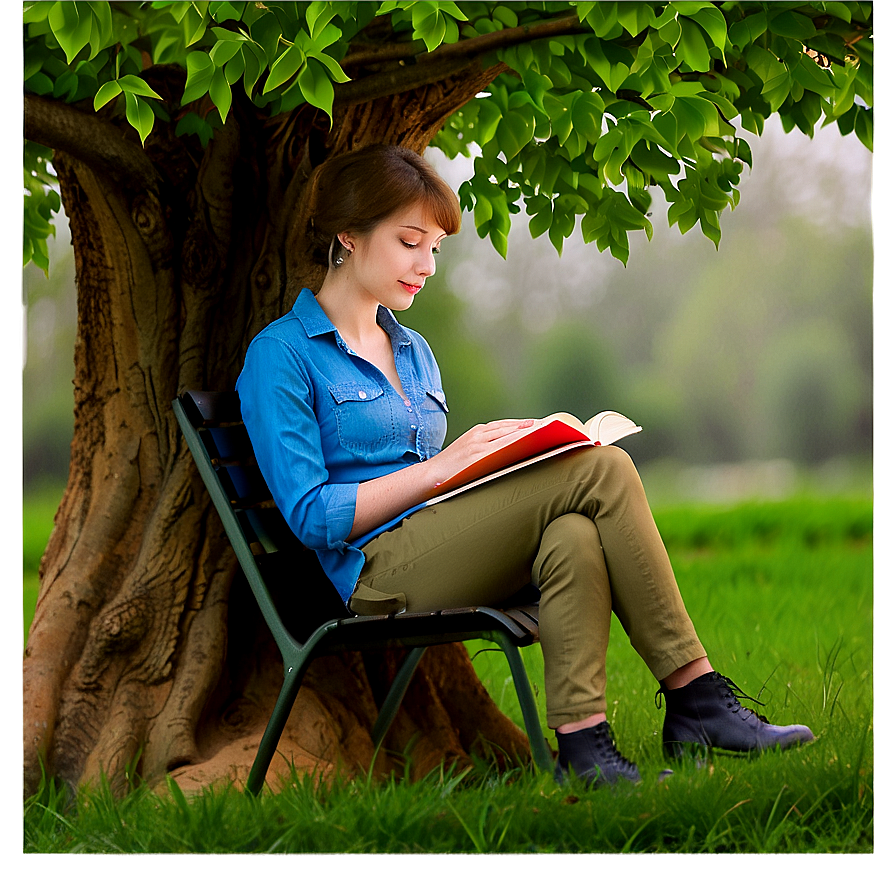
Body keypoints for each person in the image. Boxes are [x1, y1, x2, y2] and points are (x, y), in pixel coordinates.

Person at [236, 144, 814, 786]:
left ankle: (585, 750)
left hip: (442, 542)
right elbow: (312, 517)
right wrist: (441, 470)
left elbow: (442, 482)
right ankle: (696, 697)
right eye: (409, 242)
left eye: (433, 249)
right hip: (376, 574)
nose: (426, 265)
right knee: (605, 469)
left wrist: (494, 465)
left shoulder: (413, 350)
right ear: (348, 237)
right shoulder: (282, 356)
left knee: (573, 535)